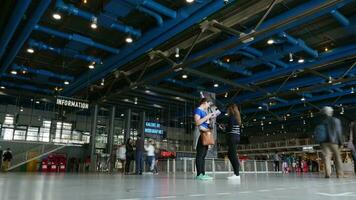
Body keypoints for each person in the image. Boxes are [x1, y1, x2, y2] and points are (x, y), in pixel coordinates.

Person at [318, 106, 344, 178]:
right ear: (331, 112)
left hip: (324, 142)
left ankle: (327, 174)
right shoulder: (336, 120)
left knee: (326, 158)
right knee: (337, 157)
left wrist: (320, 142)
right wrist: (341, 142)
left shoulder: (322, 121)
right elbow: (339, 132)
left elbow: (319, 132)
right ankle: (339, 174)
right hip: (334, 141)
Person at [194, 98, 215, 180]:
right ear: (204, 102)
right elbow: (197, 122)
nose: (208, 106)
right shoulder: (198, 110)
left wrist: (210, 118)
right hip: (201, 134)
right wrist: (207, 116)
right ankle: (199, 174)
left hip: (206, 133)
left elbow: (205, 123)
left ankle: (203, 173)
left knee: (203, 155)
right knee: (200, 155)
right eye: (208, 104)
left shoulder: (204, 112)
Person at [224, 103, 242, 180]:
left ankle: (237, 174)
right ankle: (236, 172)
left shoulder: (231, 117)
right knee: (230, 154)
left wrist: (224, 128)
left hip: (232, 137)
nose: (227, 111)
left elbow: (230, 129)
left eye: (228, 109)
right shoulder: (236, 117)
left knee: (233, 155)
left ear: (230, 109)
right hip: (236, 137)